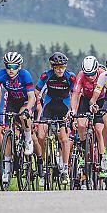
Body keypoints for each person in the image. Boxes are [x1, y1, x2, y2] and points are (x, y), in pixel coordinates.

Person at [0, 51, 36, 184]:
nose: (11, 69)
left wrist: (27, 109)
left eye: (14, 66)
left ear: (19, 67)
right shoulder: (1, 74)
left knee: (23, 115)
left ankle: (28, 139)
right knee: (7, 134)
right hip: (12, 102)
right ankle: (7, 168)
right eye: (8, 66)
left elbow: (32, 97)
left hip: (26, 101)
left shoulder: (25, 75)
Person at [35, 52, 76, 184]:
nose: (60, 69)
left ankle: (64, 170)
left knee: (64, 138)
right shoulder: (46, 75)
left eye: (62, 67)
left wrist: (71, 110)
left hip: (64, 105)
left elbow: (75, 94)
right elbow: (36, 92)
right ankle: (43, 165)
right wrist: (39, 105)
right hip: (49, 104)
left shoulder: (70, 77)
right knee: (41, 135)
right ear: (52, 67)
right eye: (57, 67)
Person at [69, 55, 106, 159]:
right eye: (87, 74)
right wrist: (73, 110)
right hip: (85, 100)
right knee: (81, 125)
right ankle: (84, 147)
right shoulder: (80, 75)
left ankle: (102, 157)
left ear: (97, 69)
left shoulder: (103, 74)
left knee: (99, 129)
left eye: (92, 74)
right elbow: (75, 94)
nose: (90, 77)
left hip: (101, 100)